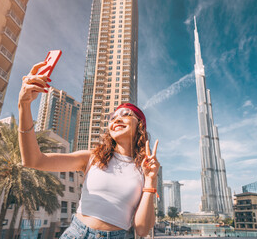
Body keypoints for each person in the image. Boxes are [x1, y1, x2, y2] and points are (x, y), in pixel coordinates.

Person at [18, 62, 160, 238]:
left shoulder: (145, 169)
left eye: (126, 114)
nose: (116, 119)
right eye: (113, 117)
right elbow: (34, 160)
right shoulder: (93, 157)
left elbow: (142, 229)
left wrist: (151, 181)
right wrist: (24, 106)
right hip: (76, 233)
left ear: (140, 126)